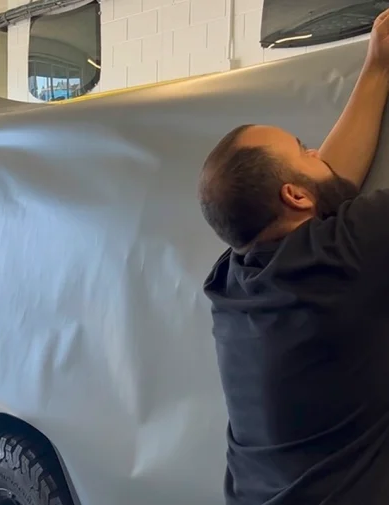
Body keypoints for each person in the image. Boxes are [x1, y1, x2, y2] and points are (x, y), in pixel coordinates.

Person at [198, 9, 389, 505]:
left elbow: (326, 181)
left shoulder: (232, 281)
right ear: (295, 197)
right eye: (305, 149)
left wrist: (376, 66)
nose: (317, 152)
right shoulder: (343, 257)